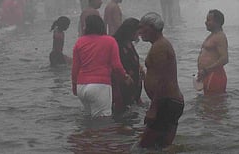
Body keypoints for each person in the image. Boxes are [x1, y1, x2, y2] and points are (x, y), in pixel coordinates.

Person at [138, 12, 184, 150]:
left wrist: (153, 109)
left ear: (153, 28)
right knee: (162, 147)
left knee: (144, 147)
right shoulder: (160, 44)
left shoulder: (160, 46)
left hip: (166, 103)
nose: (140, 32)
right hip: (170, 102)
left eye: (143, 28)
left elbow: (162, 79)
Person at [71, 15, 131, 118]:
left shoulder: (79, 42)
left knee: (88, 119)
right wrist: (125, 77)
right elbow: (116, 66)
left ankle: (84, 134)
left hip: (81, 87)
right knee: (103, 123)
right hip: (100, 86)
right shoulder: (110, 41)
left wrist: (74, 87)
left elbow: (75, 68)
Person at [112, 18, 143, 113]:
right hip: (122, 88)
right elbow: (115, 66)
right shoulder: (116, 45)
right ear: (131, 32)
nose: (139, 35)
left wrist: (140, 67)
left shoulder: (129, 43)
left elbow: (133, 61)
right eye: (138, 32)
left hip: (133, 89)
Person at [196, 9, 228, 95]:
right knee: (208, 105)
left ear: (217, 22)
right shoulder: (212, 35)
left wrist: (206, 70)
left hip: (214, 75)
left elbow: (225, 59)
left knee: (213, 105)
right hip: (207, 75)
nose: (205, 22)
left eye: (208, 20)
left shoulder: (220, 36)